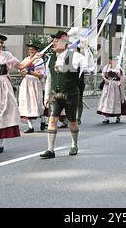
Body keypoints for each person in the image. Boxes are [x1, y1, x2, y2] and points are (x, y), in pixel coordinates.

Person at [40, 30, 93, 159]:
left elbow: (90, 68)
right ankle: (50, 149)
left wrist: (86, 50)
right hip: (55, 94)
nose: (53, 43)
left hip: (70, 94)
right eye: (53, 41)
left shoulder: (74, 56)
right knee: (52, 120)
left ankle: (74, 144)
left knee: (72, 121)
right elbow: (49, 79)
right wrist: (46, 96)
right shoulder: (50, 59)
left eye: (56, 41)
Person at [19, 43, 46, 133]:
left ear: (36, 51)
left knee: (38, 103)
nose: (30, 51)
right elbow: (21, 71)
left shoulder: (39, 60)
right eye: (30, 49)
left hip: (35, 83)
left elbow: (41, 75)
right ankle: (30, 126)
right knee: (26, 103)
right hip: (26, 83)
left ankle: (43, 121)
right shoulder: (26, 59)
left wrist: (30, 72)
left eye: (33, 50)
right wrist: (24, 73)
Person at [97, 55, 126, 124]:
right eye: (113, 60)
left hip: (115, 86)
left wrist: (119, 82)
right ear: (110, 60)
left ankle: (118, 117)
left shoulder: (119, 68)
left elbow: (122, 76)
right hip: (108, 86)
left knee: (116, 100)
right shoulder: (107, 67)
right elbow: (103, 74)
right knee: (107, 100)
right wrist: (105, 80)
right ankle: (106, 117)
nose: (114, 61)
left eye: (115, 60)